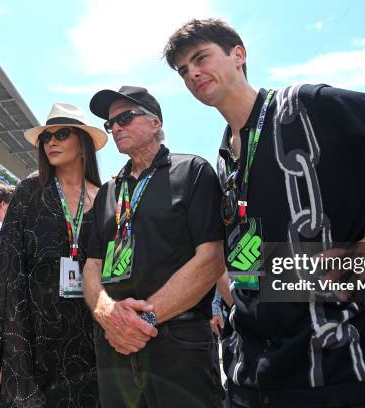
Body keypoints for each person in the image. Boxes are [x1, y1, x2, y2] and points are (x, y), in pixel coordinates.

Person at [163, 18, 365, 407]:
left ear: (238, 55)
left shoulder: (305, 106)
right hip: (254, 374)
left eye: (200, 58)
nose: (193, 74)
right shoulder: (224, 157)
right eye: (183, 71)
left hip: (341, 369)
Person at [0, 103, 107, 407]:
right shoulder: (30, 191)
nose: (52, 141)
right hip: (34, 339)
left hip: (89, 338)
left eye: (62, 133)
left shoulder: (105, 198)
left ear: (84, 143)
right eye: (46, 137)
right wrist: (5, 353)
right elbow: (4, 274)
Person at [84, 86, 225, 407]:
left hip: (178, 340)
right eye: (111, 124)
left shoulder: (192, 171)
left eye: (125, 117)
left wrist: (142, 321)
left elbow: (212, 258)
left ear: (156, 123)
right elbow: (92, 265)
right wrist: (108, 315)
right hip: (115, 342)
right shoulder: (107, 192)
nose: (116, 127)